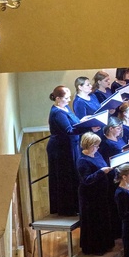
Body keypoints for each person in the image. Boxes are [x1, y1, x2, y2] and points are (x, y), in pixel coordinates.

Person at [76, 132, 118, 255]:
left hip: (101, 194)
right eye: (95, 145)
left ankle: (106, 244)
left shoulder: (97, 154)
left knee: (103, 219)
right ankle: (95, 248)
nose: (98, 148)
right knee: (94, 221)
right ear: (88, 145)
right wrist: (101, 172)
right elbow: (86, 180)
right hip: (90, 197)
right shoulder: (82, 160)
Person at [47, 86, 81, 216]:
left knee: (73, 175)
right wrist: (87, 128)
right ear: (57, 98)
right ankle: (67, 209)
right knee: (65, 177)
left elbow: (75, 122)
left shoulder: (65, 107)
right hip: (61, 149)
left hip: (70, 146)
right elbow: (69, 130)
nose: (69, 100)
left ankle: (75, 206)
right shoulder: (58, 113)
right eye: (66, 98)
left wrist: (83, 122)